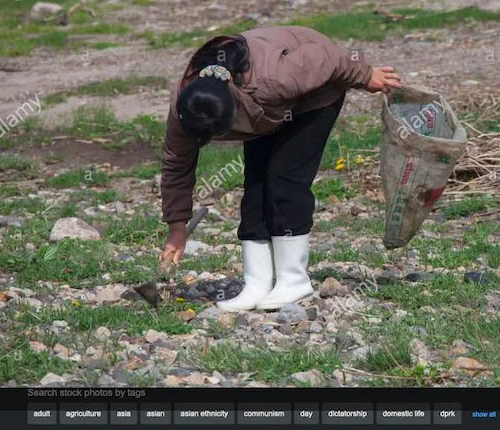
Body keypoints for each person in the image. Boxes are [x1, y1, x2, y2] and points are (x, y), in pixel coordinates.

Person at [160, 26, 401, 312]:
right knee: (256, 186)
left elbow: (325, 57)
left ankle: (293, 279)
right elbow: (177, 164)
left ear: (233, 109)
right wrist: (177, 226)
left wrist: (365, 75)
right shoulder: (185, 108)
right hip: (266, 110)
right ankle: (257, 282)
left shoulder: (275, 78)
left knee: (285, 180)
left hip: (314, 95)